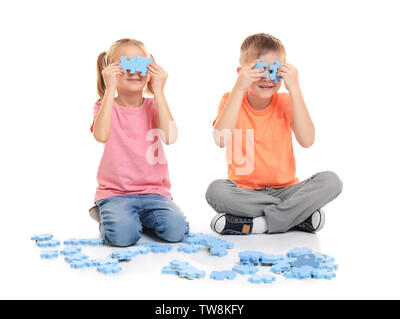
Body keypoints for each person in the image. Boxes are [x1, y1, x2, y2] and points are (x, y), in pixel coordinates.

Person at [206, 33, 343, 235]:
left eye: (275, 70)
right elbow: (220, 140)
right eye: (260, 70)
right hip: (244, 191)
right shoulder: (230, 99)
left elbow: (307, 140)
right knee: (216, 191)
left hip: (287, 190)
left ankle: (260, 224)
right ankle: (296, 217)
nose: (269, 78)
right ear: (241, 73)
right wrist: (238, 88)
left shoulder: (286, 101)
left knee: (331, 181)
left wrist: (295, 88)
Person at [89, 38, 189, 247]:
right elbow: (101, 135)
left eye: (141, 65)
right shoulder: (104, 106)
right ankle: (108, 214)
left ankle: (139, 218)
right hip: (116, 193)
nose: (134, 72)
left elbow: (170, 137)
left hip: (155, 193)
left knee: (176, 231)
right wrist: (109, 89)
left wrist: (159, 91)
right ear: (111, 70)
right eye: (126, 65)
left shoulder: (154, 106)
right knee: (123, 237)